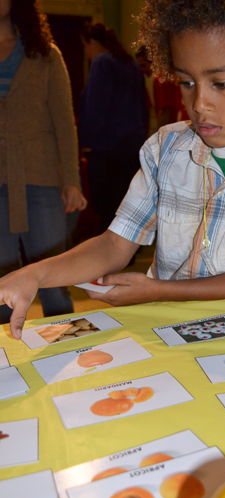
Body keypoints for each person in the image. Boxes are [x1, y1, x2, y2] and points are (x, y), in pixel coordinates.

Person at [0, 0, 225, 339]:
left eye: (221, 84)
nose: (198, 104)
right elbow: (114, 245)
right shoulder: (166, 147)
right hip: (169, 331)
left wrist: (159, 290)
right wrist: (36, 274)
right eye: (186, 82)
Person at [0, 0, 87, 324]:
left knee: (53, 283)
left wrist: (71, 180)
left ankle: (68, 359)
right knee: (1, 286)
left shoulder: (46, 55)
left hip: (41, 179)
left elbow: (64, 123)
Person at [79, 23, 148, 232]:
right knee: (125, 202)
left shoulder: (102, 62)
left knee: (106, 205)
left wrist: (87, 141)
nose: (85, 52)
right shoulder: (131, 65)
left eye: (84, 46)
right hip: (131, 147)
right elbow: (143, 107)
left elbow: (95, 106)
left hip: (106, 149)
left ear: (92, 42)